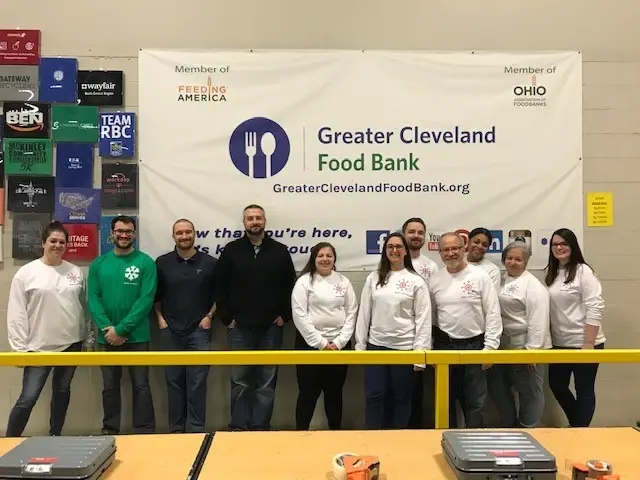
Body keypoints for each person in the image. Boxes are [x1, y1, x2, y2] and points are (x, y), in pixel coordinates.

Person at [215, 204, 297, 431]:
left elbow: (291, 286)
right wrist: (226, 318)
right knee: (240, 381)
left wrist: (284, 316)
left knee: (266, 383)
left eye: (258, 218)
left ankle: (261, 428)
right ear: (244, 223)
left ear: (265, 221)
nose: (254, 222)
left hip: (271, 328)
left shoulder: (279, 251)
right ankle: (239, 427)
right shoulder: (232, 251)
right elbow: (220, 286)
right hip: (239, 328)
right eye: (250, 218)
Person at [5, 222, 89, 437]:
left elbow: (83, 308)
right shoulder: (26, 273)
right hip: (38, 348)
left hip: (71, 344)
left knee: (62, 392)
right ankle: (9, 441)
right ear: (43, 243)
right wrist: (19, 349)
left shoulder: (75, 272)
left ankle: (55, 436)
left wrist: (87, 340)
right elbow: (16, 313)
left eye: (62, 242)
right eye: (53, 241)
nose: (57, 245)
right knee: (28, 397)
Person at [88, 215, 157, 435]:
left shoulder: (145, 262)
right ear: (112, 233)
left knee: (141, 386)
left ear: (134, 234)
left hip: (137, 337)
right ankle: (110, 429)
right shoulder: (99, 263)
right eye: (120, 231)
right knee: (109, 388)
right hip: (106, 338)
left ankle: (144, 430)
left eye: (128, 231)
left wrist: (121, 329)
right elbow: (93, 299)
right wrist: (109, 329)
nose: (124, 235)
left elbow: (146, 300)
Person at [355, 232, 432, 430]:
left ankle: (398, 440)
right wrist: (360, 346)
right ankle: (372, 438)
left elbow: (424, 318)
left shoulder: (416, 281)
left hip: (404, 349)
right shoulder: (374, 278)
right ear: (385, 250)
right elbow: (364, 313)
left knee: (401, 397)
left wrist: (420, 354)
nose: (394, 250)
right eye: (390, 246)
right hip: (376, 347)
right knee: (374, 395)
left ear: (406, 251)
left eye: (399, 246)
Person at [429, 232, 502, 428]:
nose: (451, 253)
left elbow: (493, 312)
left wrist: (490, 348)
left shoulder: (480, 276)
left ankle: (475, 448)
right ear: (440, 253)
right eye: (446, 250)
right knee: (446, 403)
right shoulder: (435, 280)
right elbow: (432, 317)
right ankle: (447, 446)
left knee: (475, 404)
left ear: (464, 249)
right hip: (445, 347)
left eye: (455, 248)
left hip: (476, 346)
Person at [155, 218, 217, 433]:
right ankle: (176, 431)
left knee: (198, 383)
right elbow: (154, 296)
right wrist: (160, 319)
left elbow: (219, 295)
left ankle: (197, 430)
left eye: (188, 232)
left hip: (199, 332)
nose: (184, 236)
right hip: (170, 331)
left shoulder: (210, 263)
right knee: (173, 383)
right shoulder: (162, 263)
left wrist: (209, 316)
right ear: (173, 236)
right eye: (179, 233)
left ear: (194, 234)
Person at [291, 242, 358, 430]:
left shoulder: (343, 282)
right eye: (321, 255)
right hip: (309, 346)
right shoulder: (304, 282)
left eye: (329, 255)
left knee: (334, 394)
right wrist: (320, 343)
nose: (325, 259)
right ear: (314, 258)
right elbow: (299, 315)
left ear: (334, 259)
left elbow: (352, 312)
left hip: (339, 348)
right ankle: (300, 435)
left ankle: (335, 433)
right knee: (307, 394)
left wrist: (339, 342)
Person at [545, 228, 605, 427]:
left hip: (585, 343)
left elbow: (595, 306)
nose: (559, 247)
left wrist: (588, 343)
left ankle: (580, 429)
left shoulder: (583, 271)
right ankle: (578, 425)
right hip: (560, 343)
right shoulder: (552, 272)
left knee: (584, 389)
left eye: (564, 244)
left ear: (572, 246)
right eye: (555, 244)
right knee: (557, 385)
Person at [487, 241, 551, 428]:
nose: (513, 262)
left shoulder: (533, 286)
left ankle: (528, 428)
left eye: (518, 259)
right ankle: (509, 425)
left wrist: (532, 351)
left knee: (529, 391)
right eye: (509, 258)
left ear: (526, 262)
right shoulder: (501, 280)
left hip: (526, 345)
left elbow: (538, 321)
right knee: (499, 388)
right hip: (503, 345)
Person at [401, 217, 439, 429]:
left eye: (420, 232)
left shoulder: (430, 266)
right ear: (403, 234)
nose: (416, 236)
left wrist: (428, 338)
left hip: (421, 337)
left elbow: (433, 303)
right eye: (411, 232)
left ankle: (414, 432)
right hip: (395, 338)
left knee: (416, 391)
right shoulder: (392, 261)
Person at [466, 227, 501, 292]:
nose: (479, 246)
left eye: (484, 245)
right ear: (468, 241)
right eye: (476, 242)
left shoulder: (492, 270)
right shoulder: (457, 263)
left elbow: (493, 299)